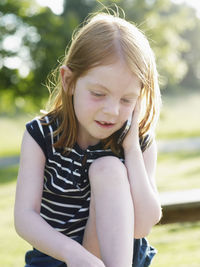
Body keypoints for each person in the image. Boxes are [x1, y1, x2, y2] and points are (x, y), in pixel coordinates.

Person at [14, 9, 162, 267]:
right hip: (59, 257)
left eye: (127, 100)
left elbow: (143, 225)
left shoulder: (137, 141)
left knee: (108, 168)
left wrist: (132, 150)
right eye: (98, 94)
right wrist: (74, 254)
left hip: (119, 259)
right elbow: (25, 217)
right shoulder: (42, 135)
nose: (112, 111)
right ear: (69, 81)